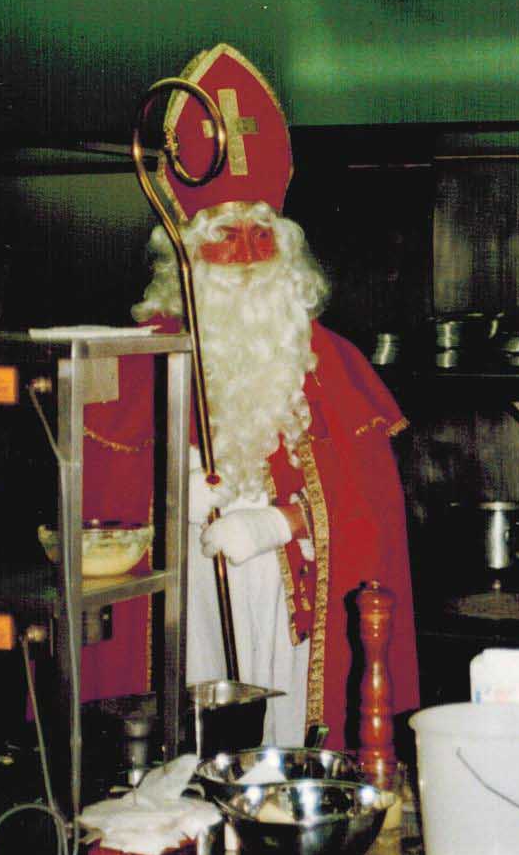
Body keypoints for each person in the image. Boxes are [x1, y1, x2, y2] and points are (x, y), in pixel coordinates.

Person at [78, 44, 418, 751]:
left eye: (262, 235)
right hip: (182, 603)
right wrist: (169, 502)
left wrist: (280, 522)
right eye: (224, 237)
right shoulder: (136, 361)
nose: (246, 253)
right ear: (187, 256)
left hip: (293, 608)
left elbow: (372, 516)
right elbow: (97, 509)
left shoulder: (334, 362)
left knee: (282, 750)